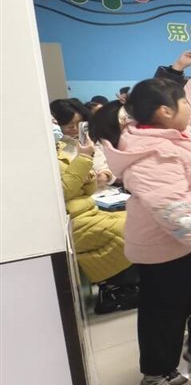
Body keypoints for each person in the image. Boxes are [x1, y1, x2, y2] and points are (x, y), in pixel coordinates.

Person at [97, 48, 191, 385]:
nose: (190, 108)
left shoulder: (173, 131)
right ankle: (156, 371)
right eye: (181, 104)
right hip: (163, 247)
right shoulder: (150, 153)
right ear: (165, 112)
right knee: (164, 311)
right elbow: (169, 206)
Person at [55, 124, 136, 313]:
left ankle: (129, 284)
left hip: (87, 210)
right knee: (123, 231)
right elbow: (62, 192)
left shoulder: (62, 149)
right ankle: (112, 289)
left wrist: (90, 175)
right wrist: (84, 159)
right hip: (72, 218)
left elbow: (87, 189)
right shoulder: (41, 160)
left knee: (137, 220)